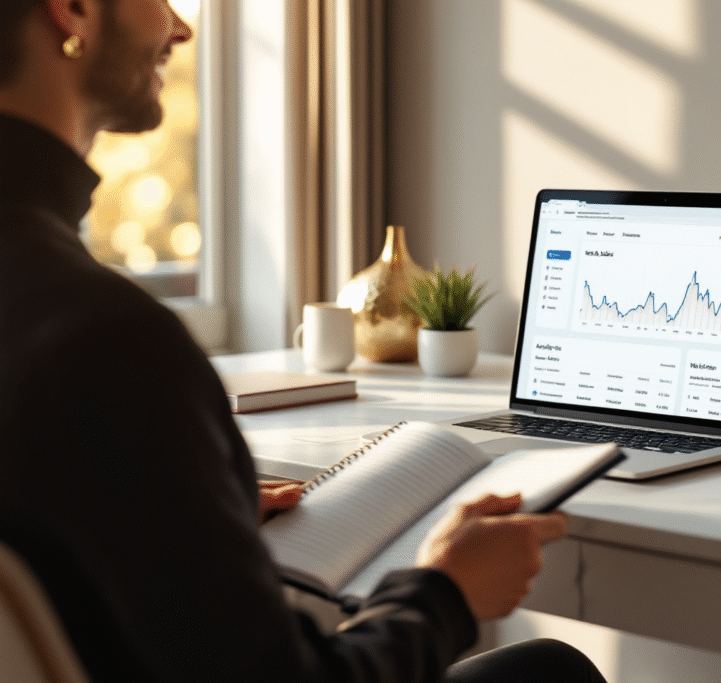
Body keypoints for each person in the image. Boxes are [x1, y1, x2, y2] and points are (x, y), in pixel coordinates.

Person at [0, 1, 607, 682]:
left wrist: (190, 512)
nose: (181, 26)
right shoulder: (106, 340)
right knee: (548, 672)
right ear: (74, 11)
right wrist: (447, 594)